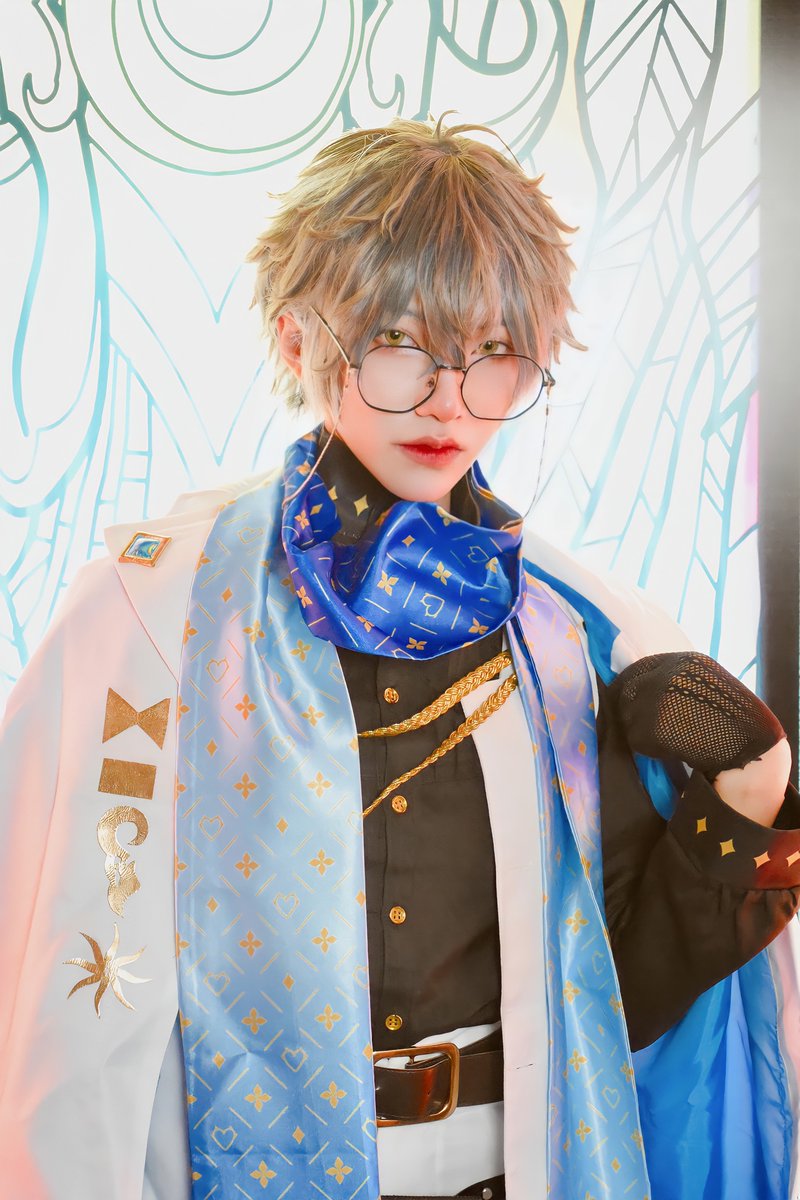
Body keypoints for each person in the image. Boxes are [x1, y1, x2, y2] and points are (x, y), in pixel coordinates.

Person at [1, 117, 798, 1200]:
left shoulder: (571, 635)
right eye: (398, 344)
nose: (447, 401)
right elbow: (67, 1010)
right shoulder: (150, 620)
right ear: (297, 342)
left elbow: (616, 1004)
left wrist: (749, 794)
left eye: (494, 354)